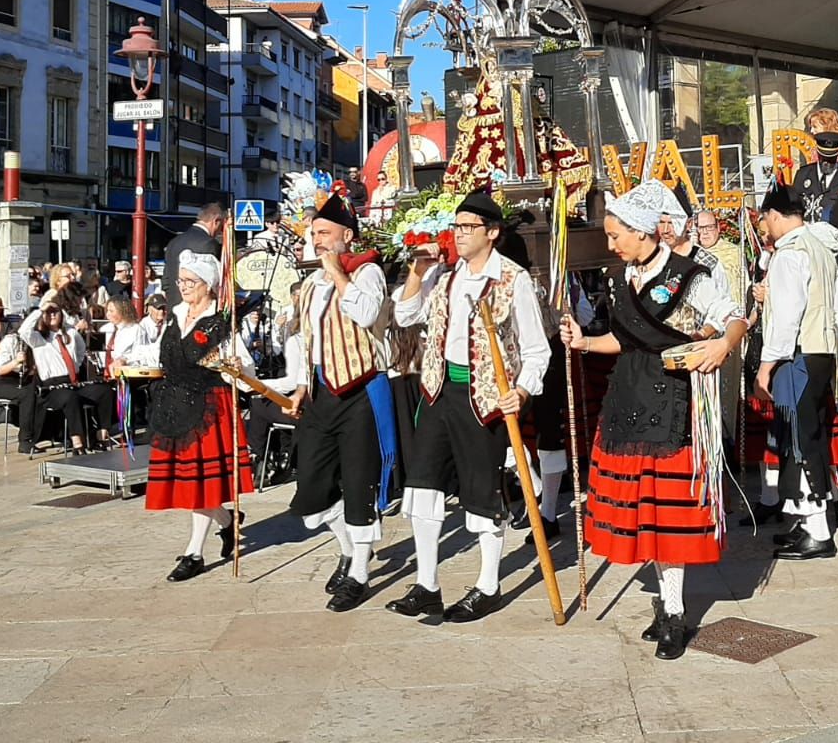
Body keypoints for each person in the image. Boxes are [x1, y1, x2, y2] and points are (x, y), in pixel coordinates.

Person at [559, 180, 745, 660]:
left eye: (615, 234)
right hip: (628, 398)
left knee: (668, 517)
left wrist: (721, 345)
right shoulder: (620, 276)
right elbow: (623, 340)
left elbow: (734, 316)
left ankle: (675, 613)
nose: (610, 244)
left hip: (673, 405)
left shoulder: (690, 275)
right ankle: (666, 605)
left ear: (642, 232)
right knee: (645, 514)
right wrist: (584, 342)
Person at [386, 190, 551, 623]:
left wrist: (523, 391)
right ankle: (426, 585)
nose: (459, 234)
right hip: (439, 392)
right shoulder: (445, 277)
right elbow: (405, 316)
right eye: (456, 227)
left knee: (482, 493)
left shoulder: (513, 280)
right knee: (423, 486)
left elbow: (537, 350)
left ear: (491, 233)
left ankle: (488, 586)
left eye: (467, 227)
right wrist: (417, 272)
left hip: (486, 400)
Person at [284, 193, 394, 613]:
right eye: (313, 234)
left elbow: (366, 314)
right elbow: (306, 339)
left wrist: (337, 272)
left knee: (360, 481)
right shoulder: (313, 283)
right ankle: (349, 549)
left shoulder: (368, 272)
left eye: (324, 232)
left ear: (347, 235)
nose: (317, 240)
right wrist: (300, 384)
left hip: (361, 390)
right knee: (312, 485)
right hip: (320, 391)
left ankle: (359, 573)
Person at [757, 184, 838, 560]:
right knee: (807, 435)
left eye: (766, 219)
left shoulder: (789, 254)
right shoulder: (819, 247)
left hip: (798, 354)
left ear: (775, 215)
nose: (765, 227)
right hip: (821, 350)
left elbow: (787, 315)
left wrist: (766, 365)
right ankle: (804, 520)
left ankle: (818, 531)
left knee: (798, 439)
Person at [147, 251, 252, 582]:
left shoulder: (221, 321)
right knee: (192, 483)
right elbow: (162, 353)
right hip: (174, 404)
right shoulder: (176, 314)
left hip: (208, 406)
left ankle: (194, 553)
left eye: (190, 281)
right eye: (180, 280)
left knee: (200, 484)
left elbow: (245, 367)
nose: (183, 287)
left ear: (208, 284)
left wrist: (237, 367)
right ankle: (228, 522)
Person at [20, 300, 116, 453]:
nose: (52, 315)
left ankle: (101, 436)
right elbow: (23, 331)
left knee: (104, 391)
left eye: (55, 312)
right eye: (48, 313)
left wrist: (75, 366)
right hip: (52, 387)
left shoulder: (71, 333)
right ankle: (78, 442)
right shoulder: (38, 338)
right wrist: (41, 309)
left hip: (72, 381)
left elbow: (81, 350)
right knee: (70, 397)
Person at [789, 130, 838, 224]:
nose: (826, 162)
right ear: (817, 151)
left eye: (831, 158)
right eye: (823, 157)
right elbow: (793, 206)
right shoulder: (803, 174)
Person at [163, 203, 225, 289]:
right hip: (197, 296)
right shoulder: (208, 243)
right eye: (221, 226)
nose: (220, 231)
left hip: (173, 296)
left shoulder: (173, 242)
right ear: (216, 221)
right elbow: (212, 280)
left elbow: (166, 280)